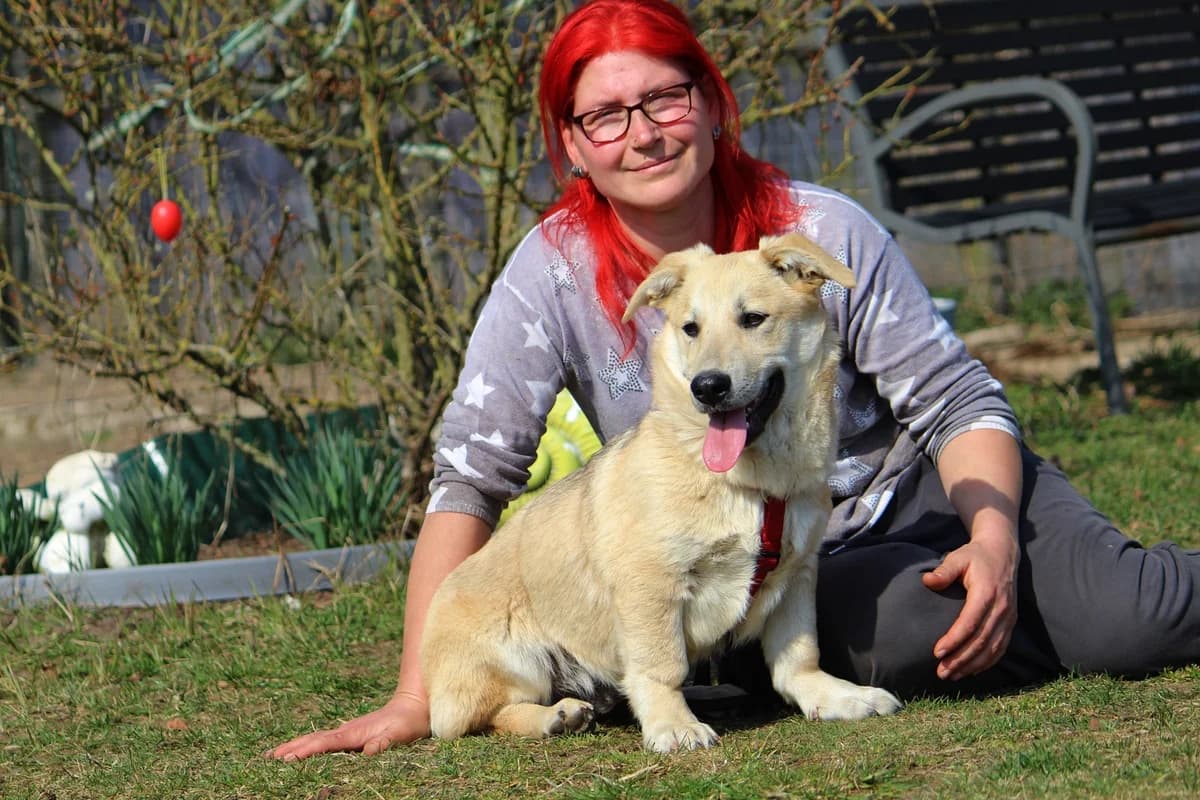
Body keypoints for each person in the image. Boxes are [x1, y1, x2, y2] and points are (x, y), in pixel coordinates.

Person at [267, 0, 1200, 761]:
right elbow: (472, 477)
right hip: (797, 570)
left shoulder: (817, 232)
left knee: (1138, 619)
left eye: (666, 100)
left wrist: (996, 536)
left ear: (712, 105)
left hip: (923, 493)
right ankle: (1043, 609)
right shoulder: (547, 275)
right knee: (909, 633)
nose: (642, 134)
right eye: (604, 115)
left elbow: (957, 398)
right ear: (574, 143)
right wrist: (417, 694)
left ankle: (1068, 588)